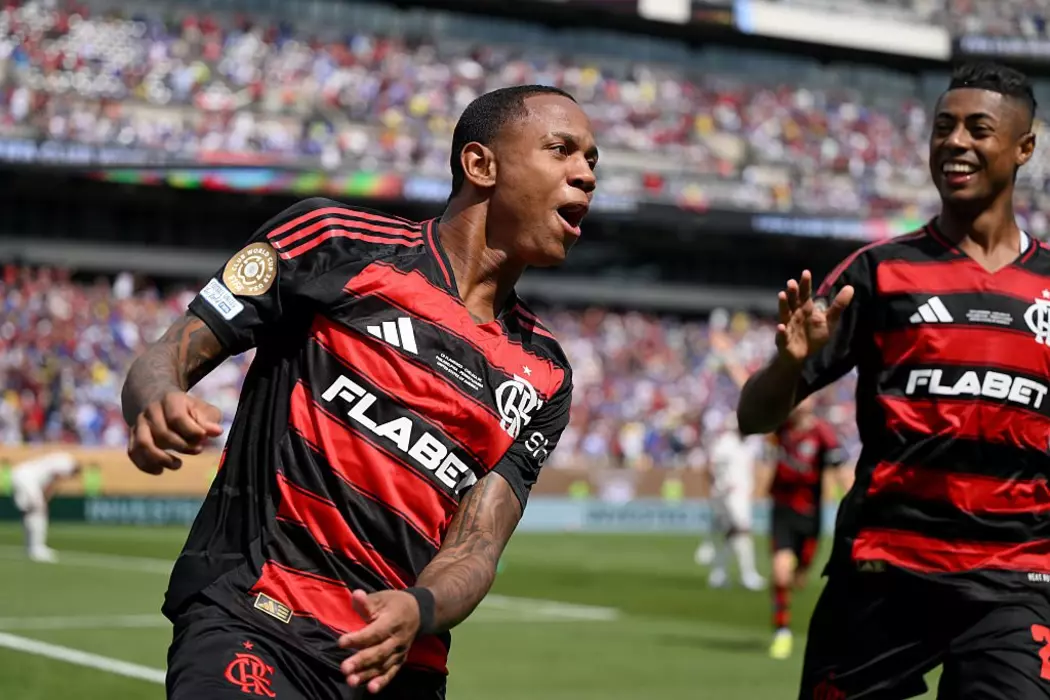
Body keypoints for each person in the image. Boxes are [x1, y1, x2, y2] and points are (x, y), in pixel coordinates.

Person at [122, 85, 596, 700]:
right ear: (481, 165)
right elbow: (167, 355)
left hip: (398, 665)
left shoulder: (545, 372)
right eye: (562, 150)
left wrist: (420, 607)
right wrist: (157, 398)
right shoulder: (334, 242)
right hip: (257, 621)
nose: (585, 175)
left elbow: (478, 545)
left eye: (592, 161)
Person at [738, 61, 1050, 698]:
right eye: (943, 126)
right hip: (883, 573)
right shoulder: (878, 273)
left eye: (978, 129)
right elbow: (754, 416)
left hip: (1015, 584)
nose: (955, 142)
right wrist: (789, 363)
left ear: (1024, 147)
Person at [764, 395, 851, 660]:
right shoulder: (781, 426)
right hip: (782, 511)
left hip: (810, 515)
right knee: (781, 572)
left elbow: (840, 470)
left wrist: (855, 503)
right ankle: (782, 631)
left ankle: (801, 571)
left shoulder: (822, 433)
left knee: (798, 577)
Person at [694, 411, 767, 592]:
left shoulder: (744, 444)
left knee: (732, 534)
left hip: (741, 494)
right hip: (730, 495)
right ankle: (747, 574)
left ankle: (719, 574)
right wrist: (719, 489)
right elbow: (710, 467)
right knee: (742, 532)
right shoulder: (725, 443)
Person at [11, 451, 80, 563]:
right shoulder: (67, 464)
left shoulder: (57, 461)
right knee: (39, 511)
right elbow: (53, 481)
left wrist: (43, 500)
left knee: (30, 512)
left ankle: (30, 547)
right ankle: (37, 549)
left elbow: (50, 480)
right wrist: (44, 501)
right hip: (26, 479)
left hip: (18, 475)